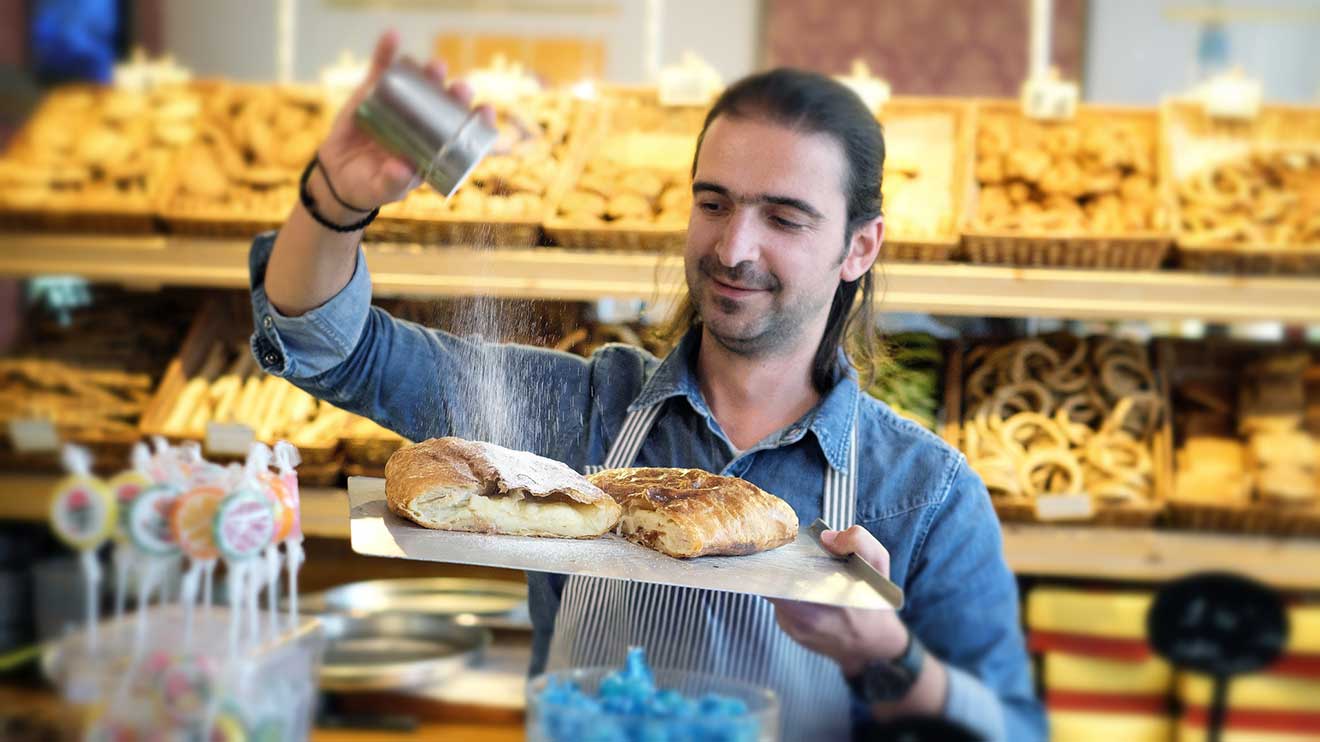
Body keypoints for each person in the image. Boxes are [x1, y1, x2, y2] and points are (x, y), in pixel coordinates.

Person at [250, 31, 1044, 741]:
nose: (735, 247)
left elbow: (1010, 726)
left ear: (859, 247)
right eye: (714, 202)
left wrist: (893, 659)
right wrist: (337, 197)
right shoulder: (573, 414)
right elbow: (333, 348)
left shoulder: (924, 494)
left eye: (785, 218)